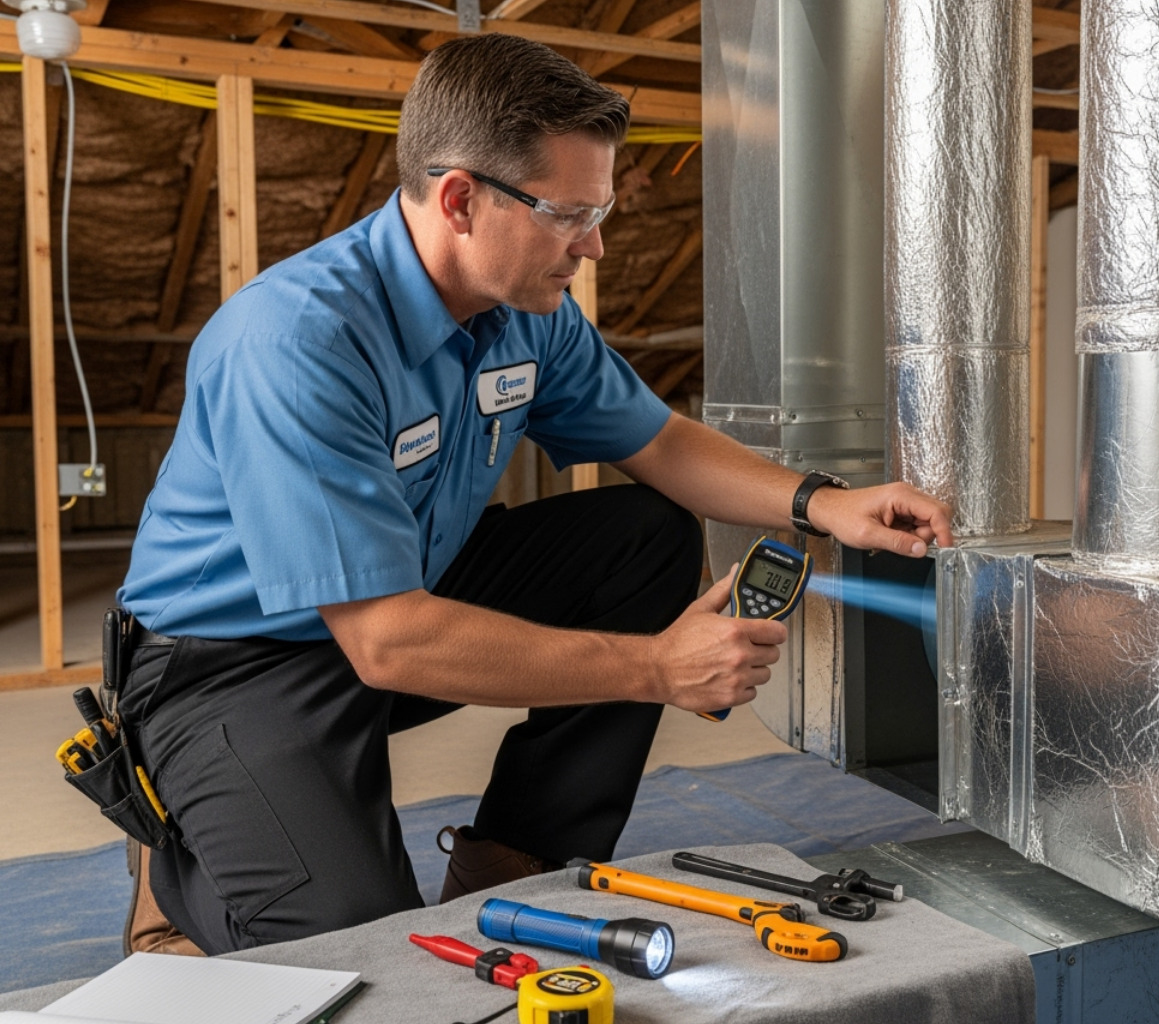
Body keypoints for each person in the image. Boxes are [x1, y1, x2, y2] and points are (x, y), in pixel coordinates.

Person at [113, 32, 952, 957]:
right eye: (569, 215)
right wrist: (655, 668)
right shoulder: (297, 341)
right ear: (461, 199)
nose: (593, 246)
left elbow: (658, 440)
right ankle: (175, 853)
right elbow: (387, 641)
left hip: (395, 603)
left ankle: (517, 871)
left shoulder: (525, 314)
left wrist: (823, 502)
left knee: (642, 536)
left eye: (600, 212)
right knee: (363, 956)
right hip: (233, 664)